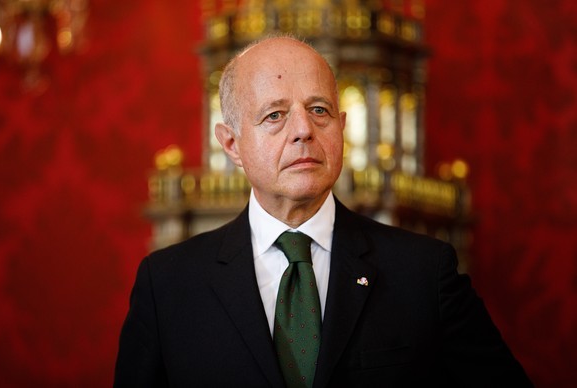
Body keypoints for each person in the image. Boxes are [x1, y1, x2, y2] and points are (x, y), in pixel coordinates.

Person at [114, 36, 532, 387]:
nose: (302, 131)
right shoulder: (167, 285)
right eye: (275, 115)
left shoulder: (424, 272)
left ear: (342, 127)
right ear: (232, 145)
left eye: (319, 110)